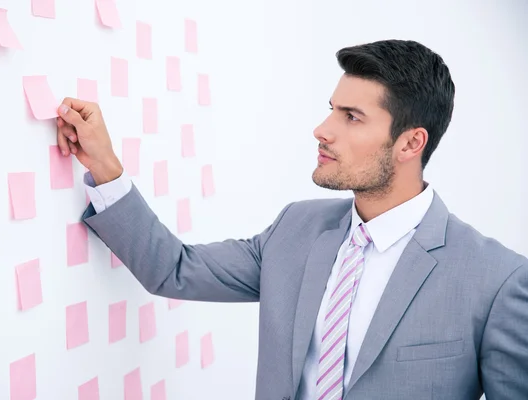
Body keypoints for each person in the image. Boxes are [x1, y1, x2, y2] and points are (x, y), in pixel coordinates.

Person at [54, 39, 528, 400]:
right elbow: (173, 269)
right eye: (331, 110)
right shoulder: (296, 229)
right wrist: (106, 166)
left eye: (352, 117)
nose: (322, 130)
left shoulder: (497, 281)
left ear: (410, 143)